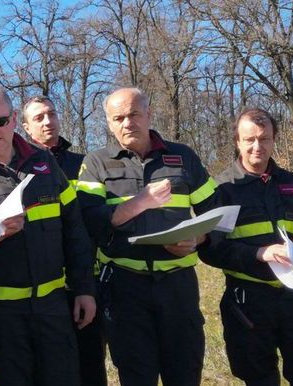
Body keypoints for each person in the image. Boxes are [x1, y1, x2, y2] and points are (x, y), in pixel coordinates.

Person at [0, 83, 96, 386]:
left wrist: (84, 289)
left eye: (0, 121)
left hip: (53, 310)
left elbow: (74, 231)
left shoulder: (46, 164)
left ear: (13, 119)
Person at [77, 87, 219, 386]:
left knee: (184, 373)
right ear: (109, 123)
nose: (127, 123)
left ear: (149, 114)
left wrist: (198, 239)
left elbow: (215, 213)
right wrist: (139, 202)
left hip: (178, 286)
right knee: (136, 375)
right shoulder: (96, 163)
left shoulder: (182, 157)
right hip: (123, 288)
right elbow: (91, 222)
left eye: (133, 114)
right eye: (118, 118)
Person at [199, 108, 293, 385]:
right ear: (237, 141)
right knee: (259, 378)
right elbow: (211, 249)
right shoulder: (222, 189)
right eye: (249, 140)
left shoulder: (292, 184)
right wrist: (258, 253)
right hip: (249, 302)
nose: (257, 146)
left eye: (264, 139)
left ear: (274, 140)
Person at [21, 95, 106, 386]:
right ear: (25, 127)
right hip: (45, 288)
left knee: (91, 363)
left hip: (84, 279)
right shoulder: (21, 168)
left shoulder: (85, 164)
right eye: (39, 118)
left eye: (51, 114)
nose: (48, 122)